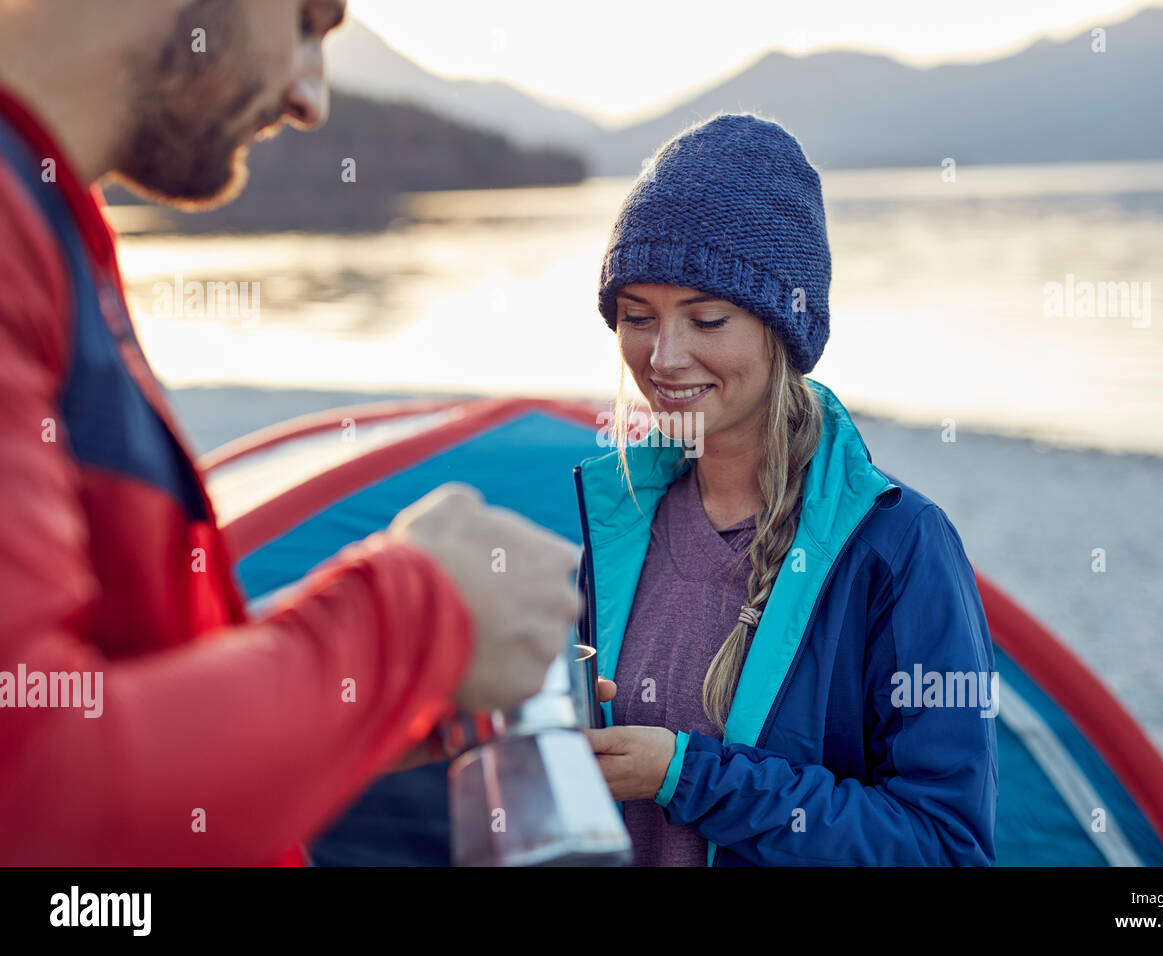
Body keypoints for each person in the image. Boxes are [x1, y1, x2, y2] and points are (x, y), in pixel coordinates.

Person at [0, 0, 579, 865]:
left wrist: (358, 702)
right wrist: (425, 614)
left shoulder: (49, 224)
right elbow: (35, 790)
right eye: (309, 20)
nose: (310, 98)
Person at [577, 113, 998, 866]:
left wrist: (687, 775)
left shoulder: (897, 548)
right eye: (636, 318)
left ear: (785, 332)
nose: (664, 356)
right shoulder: (620, 519)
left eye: (707, 318)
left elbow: (944, 846)